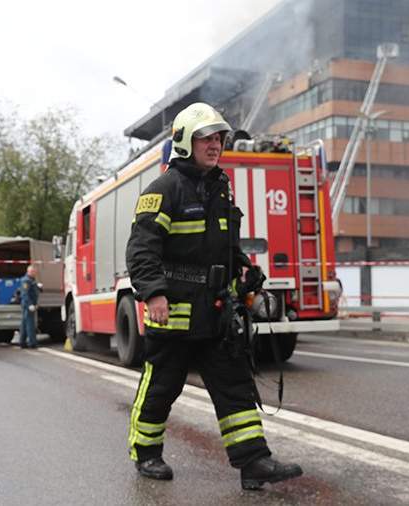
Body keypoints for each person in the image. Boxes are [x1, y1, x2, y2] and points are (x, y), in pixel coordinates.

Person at [125, 102, 303, 490]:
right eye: (207, 137)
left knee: (234, 385)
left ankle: (254, 462)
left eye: (219, 137)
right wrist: (154, 294)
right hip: (174, 313)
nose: (216, 144)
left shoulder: (220, 189)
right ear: (186, 142)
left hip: (216, 311)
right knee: (161, 386)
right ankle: (146, 451)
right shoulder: (164, 190)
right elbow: (141, 251)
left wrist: (244, 270)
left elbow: (223, 248)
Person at [17, 265, 40, 349]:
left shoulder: (31, 280)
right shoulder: (26, 281)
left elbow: (33, 291)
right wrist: (30, 304)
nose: (35, 273)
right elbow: (25, 294)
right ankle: (32, 343)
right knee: (30, 324)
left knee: (24, 324)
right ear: (29, 271)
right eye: (34, 272)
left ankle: (22, 342)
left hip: (30, 305)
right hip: (28, 305)